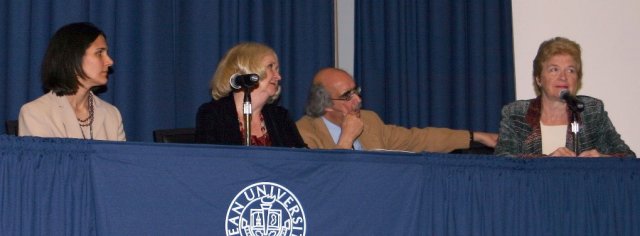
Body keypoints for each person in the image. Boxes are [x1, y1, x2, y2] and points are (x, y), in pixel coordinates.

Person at [296, 67, 498, 152]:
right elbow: (324, 182)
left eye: (356, 90)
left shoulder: (370, 121)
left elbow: (417, 139)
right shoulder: (304, 133)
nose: (358, 99)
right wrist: (347, 138)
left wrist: (475, 137)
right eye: (347, 96)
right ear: (327, 106)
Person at [494, 37, 634, 157]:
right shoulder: (516, 114)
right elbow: (503, 160)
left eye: (570, 70)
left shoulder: (591, 112)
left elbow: (627, 157)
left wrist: (603, 159)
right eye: (554, 69)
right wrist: (548, 162)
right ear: (539, 79)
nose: (563, 77)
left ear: (577, 79)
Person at [18, 22, 126, 141]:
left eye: (106, 53)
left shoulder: (112, 114)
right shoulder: (35, 113)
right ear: (73, 57)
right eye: (99, 53)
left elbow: (121, 159)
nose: (109, 61)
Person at [195, 42, 306, 147]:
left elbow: (301, 157)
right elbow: (209, 160)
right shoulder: (213, 114)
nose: (278, 76)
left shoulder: (280, 117)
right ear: (247, 69)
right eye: (270, 67)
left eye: (277, 69)